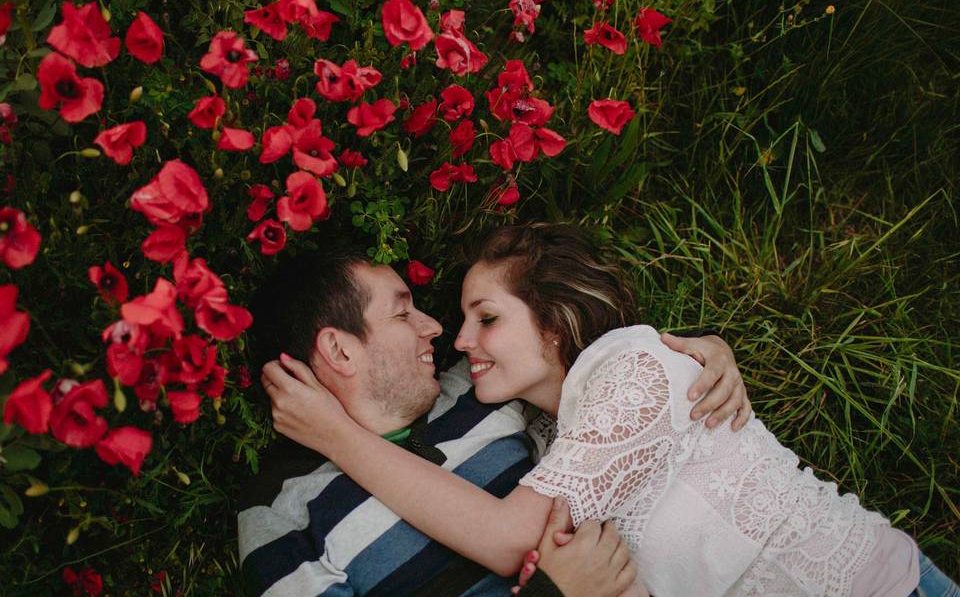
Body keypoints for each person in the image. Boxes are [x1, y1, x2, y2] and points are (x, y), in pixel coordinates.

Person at [264, 223, 959, 597]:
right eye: (451, 318)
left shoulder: (630, 368)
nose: (455, 338)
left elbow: (514, 537)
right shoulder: (544, 428)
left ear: (555, 325)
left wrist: (335, 435)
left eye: (486, 318)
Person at [239, 240, 749, 596]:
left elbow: (579, 353)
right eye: (402, 313)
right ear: (339, 350)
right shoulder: (280, 515)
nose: (436, 328)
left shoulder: (473, 391)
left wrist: (700, 351)